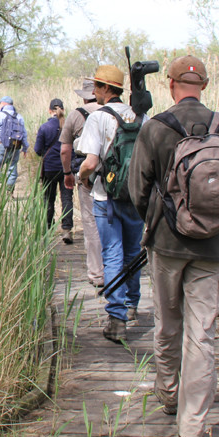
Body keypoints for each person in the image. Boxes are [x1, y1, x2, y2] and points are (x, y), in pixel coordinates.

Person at [128, 55, 219, 437]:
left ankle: (168, 394)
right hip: (213, 248)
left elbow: (138, 193)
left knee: (168, 324)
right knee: (203, 336)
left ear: (170, 85)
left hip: (166, 245)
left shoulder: (156, 128)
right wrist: (214, 222)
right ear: (205, 84)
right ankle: (193, 430)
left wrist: (166, 219)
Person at [75, 65, 145, 344]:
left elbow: (91, 163)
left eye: (97, 86)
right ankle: (131, 306)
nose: (94, 91)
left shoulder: (98, 118)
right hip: (136, 198)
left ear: (107, 89)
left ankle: (116, 319)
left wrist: (82, 178)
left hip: (106, 197)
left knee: (113, 255)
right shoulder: (142, 117)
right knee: (132, 254)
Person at [60, 80, 104, 282]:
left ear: (85, 96)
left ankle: (97, 273)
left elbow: (65, 149)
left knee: (90, 221)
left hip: (87, 176)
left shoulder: (76, 115)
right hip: (115, 177)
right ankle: (116, 268)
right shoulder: (117, 112)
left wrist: (68, 172)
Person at [34, 99, 73, 241]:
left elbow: (38, 150)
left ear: (50, 110)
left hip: (49, 168)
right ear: (63, 109)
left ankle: (47, 229)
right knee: (67, 198)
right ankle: (67, 230)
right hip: (66, 168)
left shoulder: (44, 127)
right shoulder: (69, 126)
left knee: (48, 199)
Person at [0, 96, 29, 191]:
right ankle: (9, 192)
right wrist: (25, 148)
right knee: (12, 169)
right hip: (16, 146)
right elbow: (24, 134)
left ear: (3, 104)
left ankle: (1, 183)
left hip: (1, 146)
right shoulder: (19, 117)